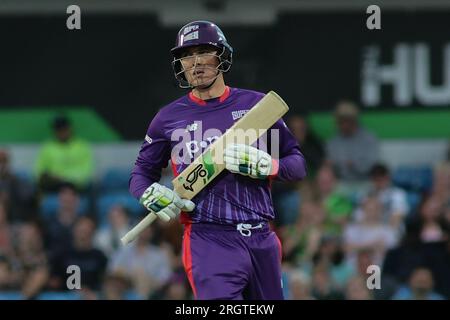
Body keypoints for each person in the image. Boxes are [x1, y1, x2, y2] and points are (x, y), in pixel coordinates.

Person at [129, 20, 307, 300]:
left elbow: (297, 164)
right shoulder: (168, 118)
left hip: (261, 237)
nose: (195, 62)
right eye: (186, 55)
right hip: (208, 239)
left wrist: (268, 166)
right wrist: (148, 193)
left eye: (203, 51)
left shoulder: (256, 107)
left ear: (222, 56)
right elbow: (141, 173)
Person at [34, 115, 94, 192]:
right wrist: (50, 177)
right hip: (54, 187)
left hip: (77, 188)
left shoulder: (82, 146)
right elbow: (38, 172)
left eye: (64, 129)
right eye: (58, 129)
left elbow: (87, 172)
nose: (61, 132)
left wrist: (64, 178)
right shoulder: (47, 148)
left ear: (70, 128)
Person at [326, 101, 379, 182]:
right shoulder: (333, 142)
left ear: (353, 120)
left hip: (365, 182)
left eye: (346, 120)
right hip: (340, 184)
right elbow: (331, 165)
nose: (343, 124)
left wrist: (354, 164)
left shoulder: (368, 138)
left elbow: (372, 165)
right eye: (340, 121)